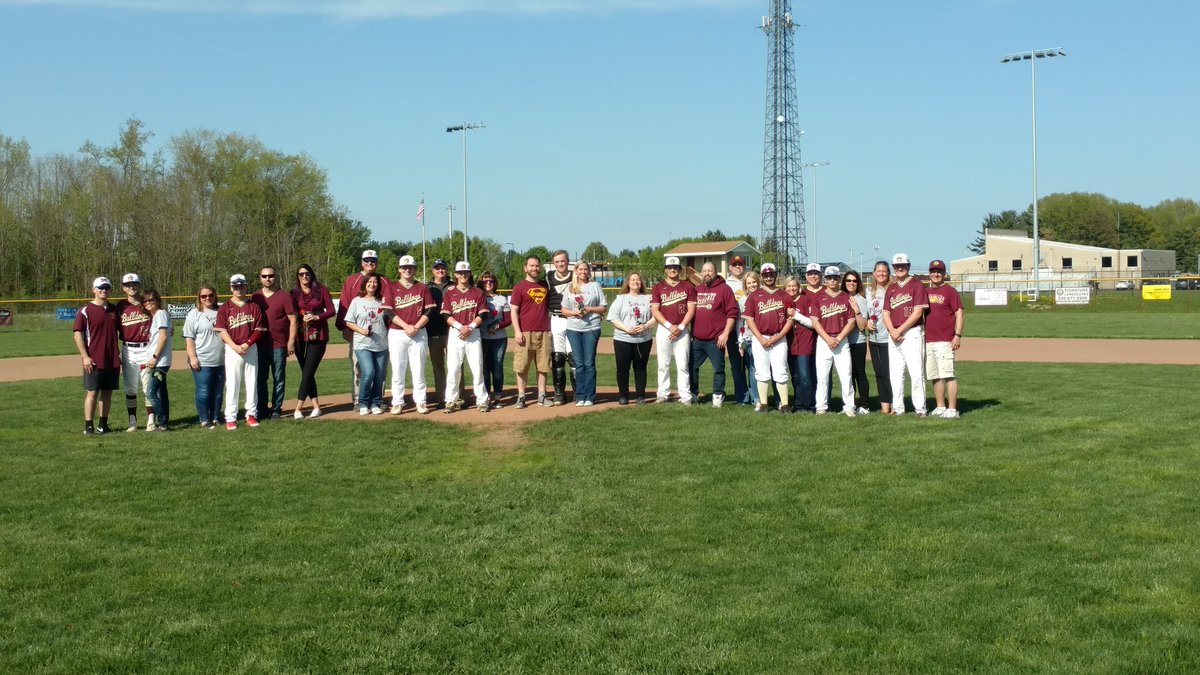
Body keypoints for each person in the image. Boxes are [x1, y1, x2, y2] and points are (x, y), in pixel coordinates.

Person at [336, 250, 390, 408]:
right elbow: (344, 304)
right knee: (359, 368)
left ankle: (377, 399)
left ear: (377, 262)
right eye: (367, 260)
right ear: (362, 262)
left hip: (381, 335)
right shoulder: (353, 280)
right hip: (358, 334)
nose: (370, 263)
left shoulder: (385, 281)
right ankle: (358, 399)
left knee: (380, 370)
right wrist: (344, 327)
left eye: (373, 260)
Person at [384, 255, 435, 415]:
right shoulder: (391, 287)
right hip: (397, 332)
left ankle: (420, 401)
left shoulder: (422, 287)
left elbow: (430, 309)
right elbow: (388, 310)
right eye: (404, 267)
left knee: (418, 369)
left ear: (414, 269)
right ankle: (397, 402)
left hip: (418, 333)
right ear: (399, 269)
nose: (407, 270)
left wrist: (416, 327)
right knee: (398, 369)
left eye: (410, 267)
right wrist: (406, 326)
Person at [215, 274, 266, 430]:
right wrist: (234, 346)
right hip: (232, 349)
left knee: (252, 383)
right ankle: (230, 417)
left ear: (246, 286)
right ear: (231, 288)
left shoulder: (254, 306)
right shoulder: (225, 307)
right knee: (232, 384)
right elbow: (222, 330)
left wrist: (247, 344)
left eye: (241, 286)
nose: (239, 289)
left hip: (250, 348)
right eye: (235, 286)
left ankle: (251, 414)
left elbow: (259, 329)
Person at [808, 267, 860, 417]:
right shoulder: (818, 297)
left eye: (835, 278)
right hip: (824, 341)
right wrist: (828, 338)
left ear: (839, 279)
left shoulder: (846, 297)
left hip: (841, 340)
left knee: (846, 375)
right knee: (822, 376)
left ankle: (849, 406)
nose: (832, 280)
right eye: (830, 277)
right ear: (825, 279)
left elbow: (851, 322)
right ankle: (821, 407)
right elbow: (815, 321)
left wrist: (838, 338)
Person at [883, 253, 930, 416]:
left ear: (909, 266)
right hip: (894, 334)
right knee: (895, 374)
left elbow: (918, 313)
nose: (899, 268)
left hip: (912, 332)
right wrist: (892, 331)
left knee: (916, 373)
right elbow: (886, 313)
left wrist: (899, 330)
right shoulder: (891, 287)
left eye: (902, 265)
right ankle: (898, 408)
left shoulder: (917, 285)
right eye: (896, 266)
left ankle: (920, 409)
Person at [743, 263, 793, 413]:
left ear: (776, 275)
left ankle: (784, 404)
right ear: (762, 277)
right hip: (760, 338)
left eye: (771, 274)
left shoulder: (785, 295)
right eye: (766, 275)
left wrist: (779, 336)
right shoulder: (754, 295)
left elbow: (790, 319)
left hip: (779, 337)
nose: (769, 277)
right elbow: (749, 319)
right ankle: (764, 404)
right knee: (762, 371)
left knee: (780, 371)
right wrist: (760, 338)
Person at [441, 261, 490, 413]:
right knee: (453, 369)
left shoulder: (478, 292)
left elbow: (483, 314)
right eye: (460, 273)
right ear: (455, 275)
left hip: (473, 333)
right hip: (455, 333)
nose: (463, 275)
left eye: (465, 272)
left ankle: (482, 400)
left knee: (477, 368)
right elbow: (446, 314)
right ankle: (451, 400)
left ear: (469, 274)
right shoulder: (449, 293)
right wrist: (459, 327)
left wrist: (470, 327)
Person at [74, 276, 120, 435]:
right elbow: (77, 334)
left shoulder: (114, 310)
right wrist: (85, 356)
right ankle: (88, 426)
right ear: (94, 290)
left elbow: (128, 328)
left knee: (107, 393)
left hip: (112, 358)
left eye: (106, 288)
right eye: (100, 288)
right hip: (93, 359)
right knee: (92, 392)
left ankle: (103, 424)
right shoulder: (85, 311)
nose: (104, 290)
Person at [689, 262, 738, 408]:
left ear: (715, 272)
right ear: (701, 273)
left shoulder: (725, 289)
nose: (707, 273)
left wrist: (725, 334)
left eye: (710, 270)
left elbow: (732, 313)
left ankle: (718, 395)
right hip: (697, 339)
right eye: (704, 271)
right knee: (692, 366)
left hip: (716, 339)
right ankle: (693, 393)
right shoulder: (697, 289)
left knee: (718, 369)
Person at [252, 265, 297, 420]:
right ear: (260, 278)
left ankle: (276, 409)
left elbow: (293, 319)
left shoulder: (284, 296)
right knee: (260, 380)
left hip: (278, 345)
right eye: (264, 276)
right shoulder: (256, 296)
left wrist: (290, 341)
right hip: (259, 345)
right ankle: (262, 409)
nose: (267, 279)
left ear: (275, 277)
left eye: (270, 276)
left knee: (279, 379)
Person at [651, 255, 697, 404]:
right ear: (665, 270)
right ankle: (663, 394)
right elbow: (655, 310)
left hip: (682, 329)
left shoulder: (688, 286)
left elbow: (691, 309)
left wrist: (681, 327)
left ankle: (685, 396)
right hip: (665, 329)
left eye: (675, 267)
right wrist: (669, 326)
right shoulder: (658, 287)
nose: (672, 270)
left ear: (679, 269)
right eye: (669, 267)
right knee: (663, 364)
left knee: (683, 364)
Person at [290, 264, 335, 419]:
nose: (304, 277)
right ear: (297, 276)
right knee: (306, 373)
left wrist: (317, 317)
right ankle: (316, 407)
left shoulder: (321, 289)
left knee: (308, 372)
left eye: (307, 273)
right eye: (301, 274)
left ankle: (298, 408)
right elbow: (291, 314)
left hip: (318, 335)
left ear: (312, 274)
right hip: (300, 336)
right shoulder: (293, 293)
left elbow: (331, 310)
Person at [509, 254, 554, 409]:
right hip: (525, 332)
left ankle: (542, 395)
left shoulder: (544, 286)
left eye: (537, 266)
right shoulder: (519, 287)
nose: (534, 268)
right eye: (531, 265)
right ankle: (521, 396)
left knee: (543, 366)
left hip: (544, 331)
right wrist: (517, 331)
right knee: (521, 366)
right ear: (525, 268)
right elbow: (513, 311)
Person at [560, 261, 607, 407]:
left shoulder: (595, 286)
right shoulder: (570, 287)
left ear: (589, 271)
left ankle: (590, 396)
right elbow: (564, 310)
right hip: (574, 328)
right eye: (580, 269)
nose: (583, 271)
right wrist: (574, 312)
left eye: (585, 269)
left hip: (591, 327)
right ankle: (580, 396)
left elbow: (603, 308)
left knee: (589, 363)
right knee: (579, 364)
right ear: (575, 271)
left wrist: (589, 309)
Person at [607, 272, 656, 405]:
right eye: (633, 280)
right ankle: (623, 395)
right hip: (623, 339)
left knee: (640, 368)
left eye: (638, 280)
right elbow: (612, 317)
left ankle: (640, 395)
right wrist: (626, 328)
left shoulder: (648, 298)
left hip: (643, 339)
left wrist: (645, 326)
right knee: (622, 368)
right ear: (628, 283)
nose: (636, 282)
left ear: (642, 283)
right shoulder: (621, 298)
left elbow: (656, 316)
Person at [924, 259, 964, 418]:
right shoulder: (925, 292)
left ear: (944, 274)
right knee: (934, 376)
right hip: (928, 340)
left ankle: (953, 409)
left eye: (939, 272)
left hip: (945, 339)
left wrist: (957, 335)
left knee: (948, 374)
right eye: (933, 272)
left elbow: (959, 313)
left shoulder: (950, 291)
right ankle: (940, 407)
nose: (936, 274)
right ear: (929, 274)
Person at [345, 272, 388, 415]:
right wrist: (361, 330)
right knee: (368, 372)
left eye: (375, 282)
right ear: (364, 284)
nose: (372, 284)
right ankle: (363, 402)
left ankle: (375, 402)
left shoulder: (382, 301)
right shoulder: (357, 301)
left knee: (379, 375)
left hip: (381, 343)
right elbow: (349, 321)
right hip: (362, 343)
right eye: (369, 282)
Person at [115, 272, 153, 431]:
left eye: (134, 284)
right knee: (130, 388)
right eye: (128, 285)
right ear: (123, 288)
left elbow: (160, 322)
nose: (131, 287)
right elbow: (113, 330)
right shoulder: (120, 306)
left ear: (139, 285)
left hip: (146, 348)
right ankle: (132, 421)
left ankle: (151, 420)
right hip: (128, 349)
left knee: (148, 387)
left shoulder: (147, 303)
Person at [183, 285, 224, 429]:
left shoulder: (222, 311)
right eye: (204, 296)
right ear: (199, 298)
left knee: (218, 391)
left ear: (215, 295)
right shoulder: (194, 314)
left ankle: (216, 418)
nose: (208, 298)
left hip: (221, 359)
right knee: (203, 390)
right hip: (203, 359)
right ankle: (204, 419)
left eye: (210, 295)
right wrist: (192, 357)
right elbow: (189, 338)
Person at [140, 289, 173, 431]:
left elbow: (163, 336)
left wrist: (154, 357)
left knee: (151, 393)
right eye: (145, 301)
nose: (148, 303)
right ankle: (165, 422)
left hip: (160, 362)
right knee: (162, 392)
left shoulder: (160, 314)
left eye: (151, 300)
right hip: (159, 361)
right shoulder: (158, 316)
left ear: (158, 301)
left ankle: (162, 422)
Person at [545, 249, 576, 404]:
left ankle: (578, 392)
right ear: (553, 263)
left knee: (573, 357)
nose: (560, 264)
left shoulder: (575, 275)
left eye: (562, 261)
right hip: (556, 319)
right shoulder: (549, 277)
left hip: (572, 319)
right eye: (557, 262)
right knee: (557, 357)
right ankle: (559, 393)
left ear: (567, 261)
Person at [479, 270, 511, 408]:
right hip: (482, 337)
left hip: (499, 338)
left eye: (491, 281)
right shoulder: (478, 298)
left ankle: (498, 396)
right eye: (485, 281)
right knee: (484, 368)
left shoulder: (501, 299)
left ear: (494, 283)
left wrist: (497, 326)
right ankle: (486, 397)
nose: (488, 283)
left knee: (497, 366)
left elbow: (508, 319)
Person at [842, 270, 872, 416]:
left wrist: (857, 311)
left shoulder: (861, 299)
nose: (851, 283)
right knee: (847, 374)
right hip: (842, 342)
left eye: (854, 281)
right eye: (848, 280)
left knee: (859, 373)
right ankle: (850, 404)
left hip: (856, 341)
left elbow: (862, 326)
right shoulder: (840, 297)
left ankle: (865, 405)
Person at [866, 261, 894, 414]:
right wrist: (866, 323)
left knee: (890, 373)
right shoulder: (869, 291)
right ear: (874, 273)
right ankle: (885, 406)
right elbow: (865, 314)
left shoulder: (893, 289)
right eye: (878, 271)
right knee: (879, 373)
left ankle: (896, 404)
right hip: (875, 338)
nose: (881, 273)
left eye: (884, 271)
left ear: (888, 273)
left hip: (890, 337)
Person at [425, 258, 454, 406]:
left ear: (447, 270)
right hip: (433, 331)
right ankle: (442, 397)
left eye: (443, 268)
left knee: (455, 365)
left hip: (453, 331)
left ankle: (457, 396)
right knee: (438, 367)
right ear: (433, 270)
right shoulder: (427, 287)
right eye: (437, 268)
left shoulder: (454, 285)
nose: (440, 270)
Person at [725, 255, 749, 405]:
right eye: (735, 265)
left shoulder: (750, 281)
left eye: (740, 264)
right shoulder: (726, 284)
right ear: (730, 267)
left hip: (750, 329)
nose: (738, 267)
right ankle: (742, 397)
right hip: (734, 329)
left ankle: (755, 396)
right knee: (737, 365)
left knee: (752, 364)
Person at [735, 271, 761, 407]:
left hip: (765, 337)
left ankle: (772, 398)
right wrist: (741, 340)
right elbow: (740, 322)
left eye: (754, 282)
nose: (752, 285)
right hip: (749, 338)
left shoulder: (765, 297)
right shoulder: (742, 300)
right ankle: (756, 399)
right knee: (753, 369)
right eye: (749, 283)